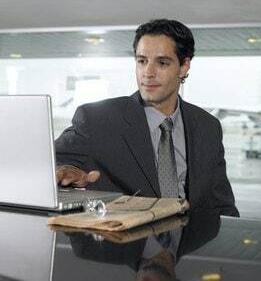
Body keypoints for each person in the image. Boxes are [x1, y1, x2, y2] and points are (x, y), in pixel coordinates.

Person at [55, 19, 239, 217]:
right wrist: (66, 171)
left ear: (184, 66)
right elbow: (47, 165)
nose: (148, 73)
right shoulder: (97, 120)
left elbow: (221, 205)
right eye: (142, 61)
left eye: (162, 63)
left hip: (189, 245)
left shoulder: (207, 127)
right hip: (121, 243)